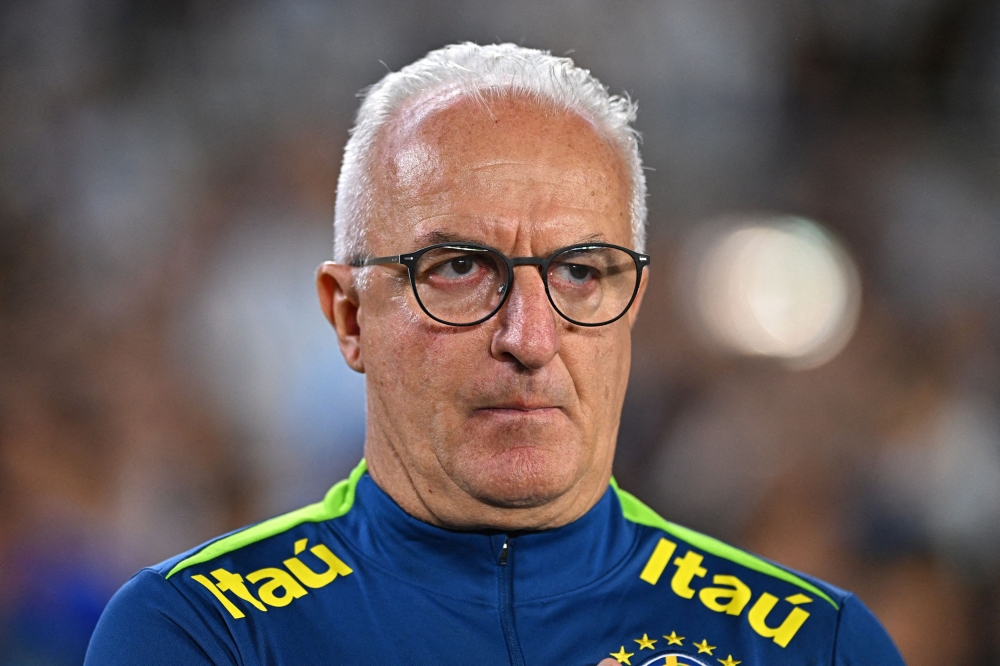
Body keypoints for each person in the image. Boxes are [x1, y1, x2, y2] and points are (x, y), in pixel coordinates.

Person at [85, 43, 904, 666]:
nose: (529, 338)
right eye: (458, 269)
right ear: (349, 316)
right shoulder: (200, 632)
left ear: (632, 311)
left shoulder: (814, 645)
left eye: (581, 273)